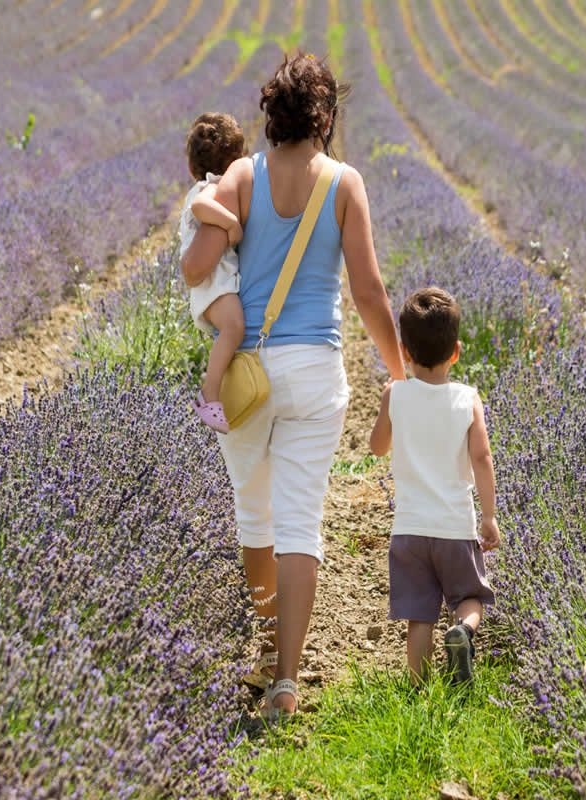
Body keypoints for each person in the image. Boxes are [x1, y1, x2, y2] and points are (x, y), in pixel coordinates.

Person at [181, 52, 405, 720]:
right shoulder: (345, 182)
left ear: (270, 113)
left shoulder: (244, 176)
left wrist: (217, 218)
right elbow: (366, 290)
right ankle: (285, 679)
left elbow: (199, 255)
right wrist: (398, 370)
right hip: (315, 368)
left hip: (249, 369)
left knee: (256, 516)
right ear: (327, 116)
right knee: (301, 523)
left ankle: (265, 641)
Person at [368, 287, 500, 685]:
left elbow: (376, 448)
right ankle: (463, 632)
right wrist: (489, 517)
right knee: (469, 597)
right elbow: (482, 458)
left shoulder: (397, 394)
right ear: (456, 351)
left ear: (405, 352)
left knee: (419, 613)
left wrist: (390, 405)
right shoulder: (467, 398)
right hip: (454, 526)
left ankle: (417, 688)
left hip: (408, 529)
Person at [179, 112, 248, 433]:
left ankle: (214, 391)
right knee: (234, 327)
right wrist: (231, 223)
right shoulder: (211, 187)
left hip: (214, 281)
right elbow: (201, 208)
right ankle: (210, 393)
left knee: (232, 331)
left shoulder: (206, 185)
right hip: (213, 281)